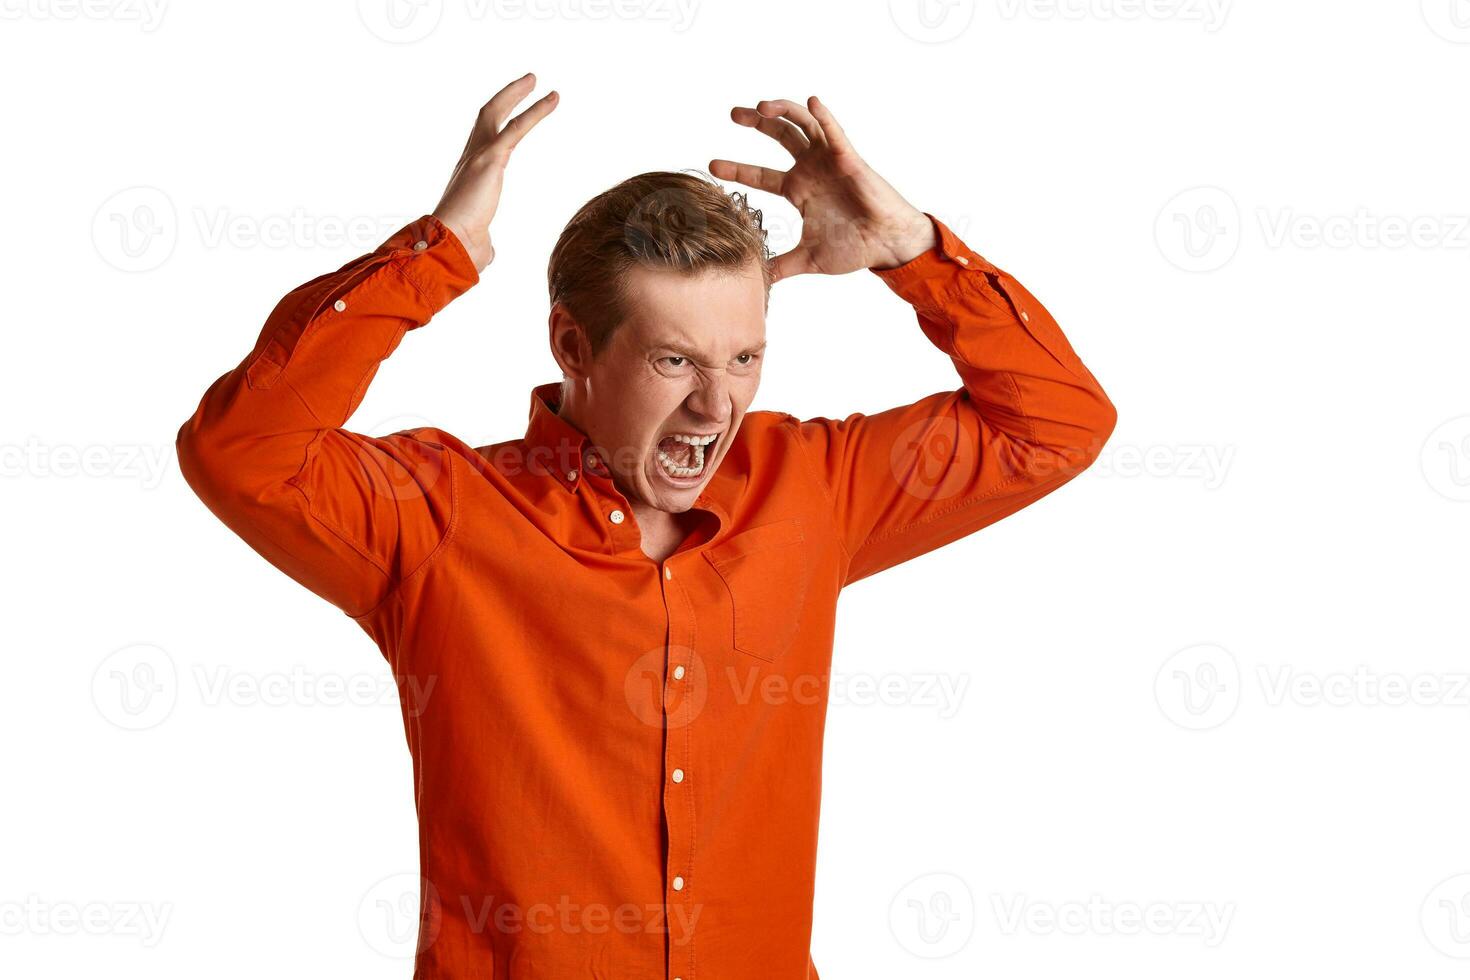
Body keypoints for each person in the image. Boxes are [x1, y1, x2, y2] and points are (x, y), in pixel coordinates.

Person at [176, 72, 1116, 979]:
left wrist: (912, 249)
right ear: (572, 346)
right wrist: (436, 254)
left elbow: (1058, 423)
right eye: (675, 361)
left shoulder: (816, 488)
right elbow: (240, 452)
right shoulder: (437, 518)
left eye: (745, 356)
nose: (717, 407)